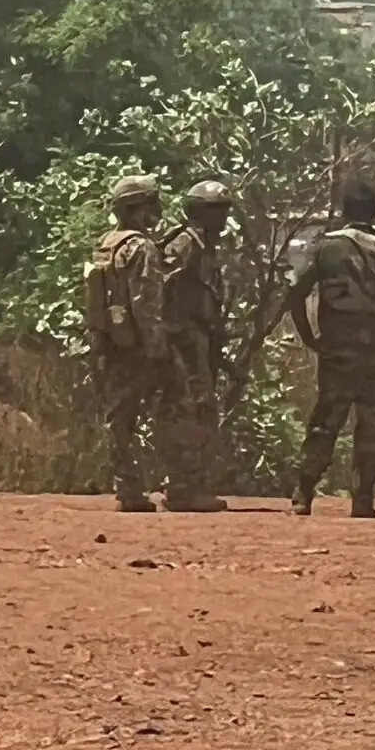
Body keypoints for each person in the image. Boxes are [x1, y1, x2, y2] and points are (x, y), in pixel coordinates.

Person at [286, 176, 375, 519]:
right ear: (374, 212)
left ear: (344, 211)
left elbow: (294, 293)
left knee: (325, 422)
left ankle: (303, 493)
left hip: (337, 353)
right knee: (373, 427)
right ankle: (363, 498)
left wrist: (309, 336)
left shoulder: (324, 248)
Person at [87, 175, 171, 513]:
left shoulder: (107, 243)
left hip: (111, 341)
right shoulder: (141, 247)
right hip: (136, 345)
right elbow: (145, 304)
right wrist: (157, 348)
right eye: (151, 204)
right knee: (169, 408)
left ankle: (127, 485)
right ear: (137, 208)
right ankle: (163, 486)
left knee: (119, 418)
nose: (156, 210)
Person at [157, 180, 233, 513]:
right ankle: (183, 488)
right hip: (184, 340)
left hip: (199, 339)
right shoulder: (186, 243)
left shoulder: (205, 246)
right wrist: (171, 333)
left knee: (199, 409)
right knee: (189, 410)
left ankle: (189, 484)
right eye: (217, 210)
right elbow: (160, 285)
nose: (223, 217)